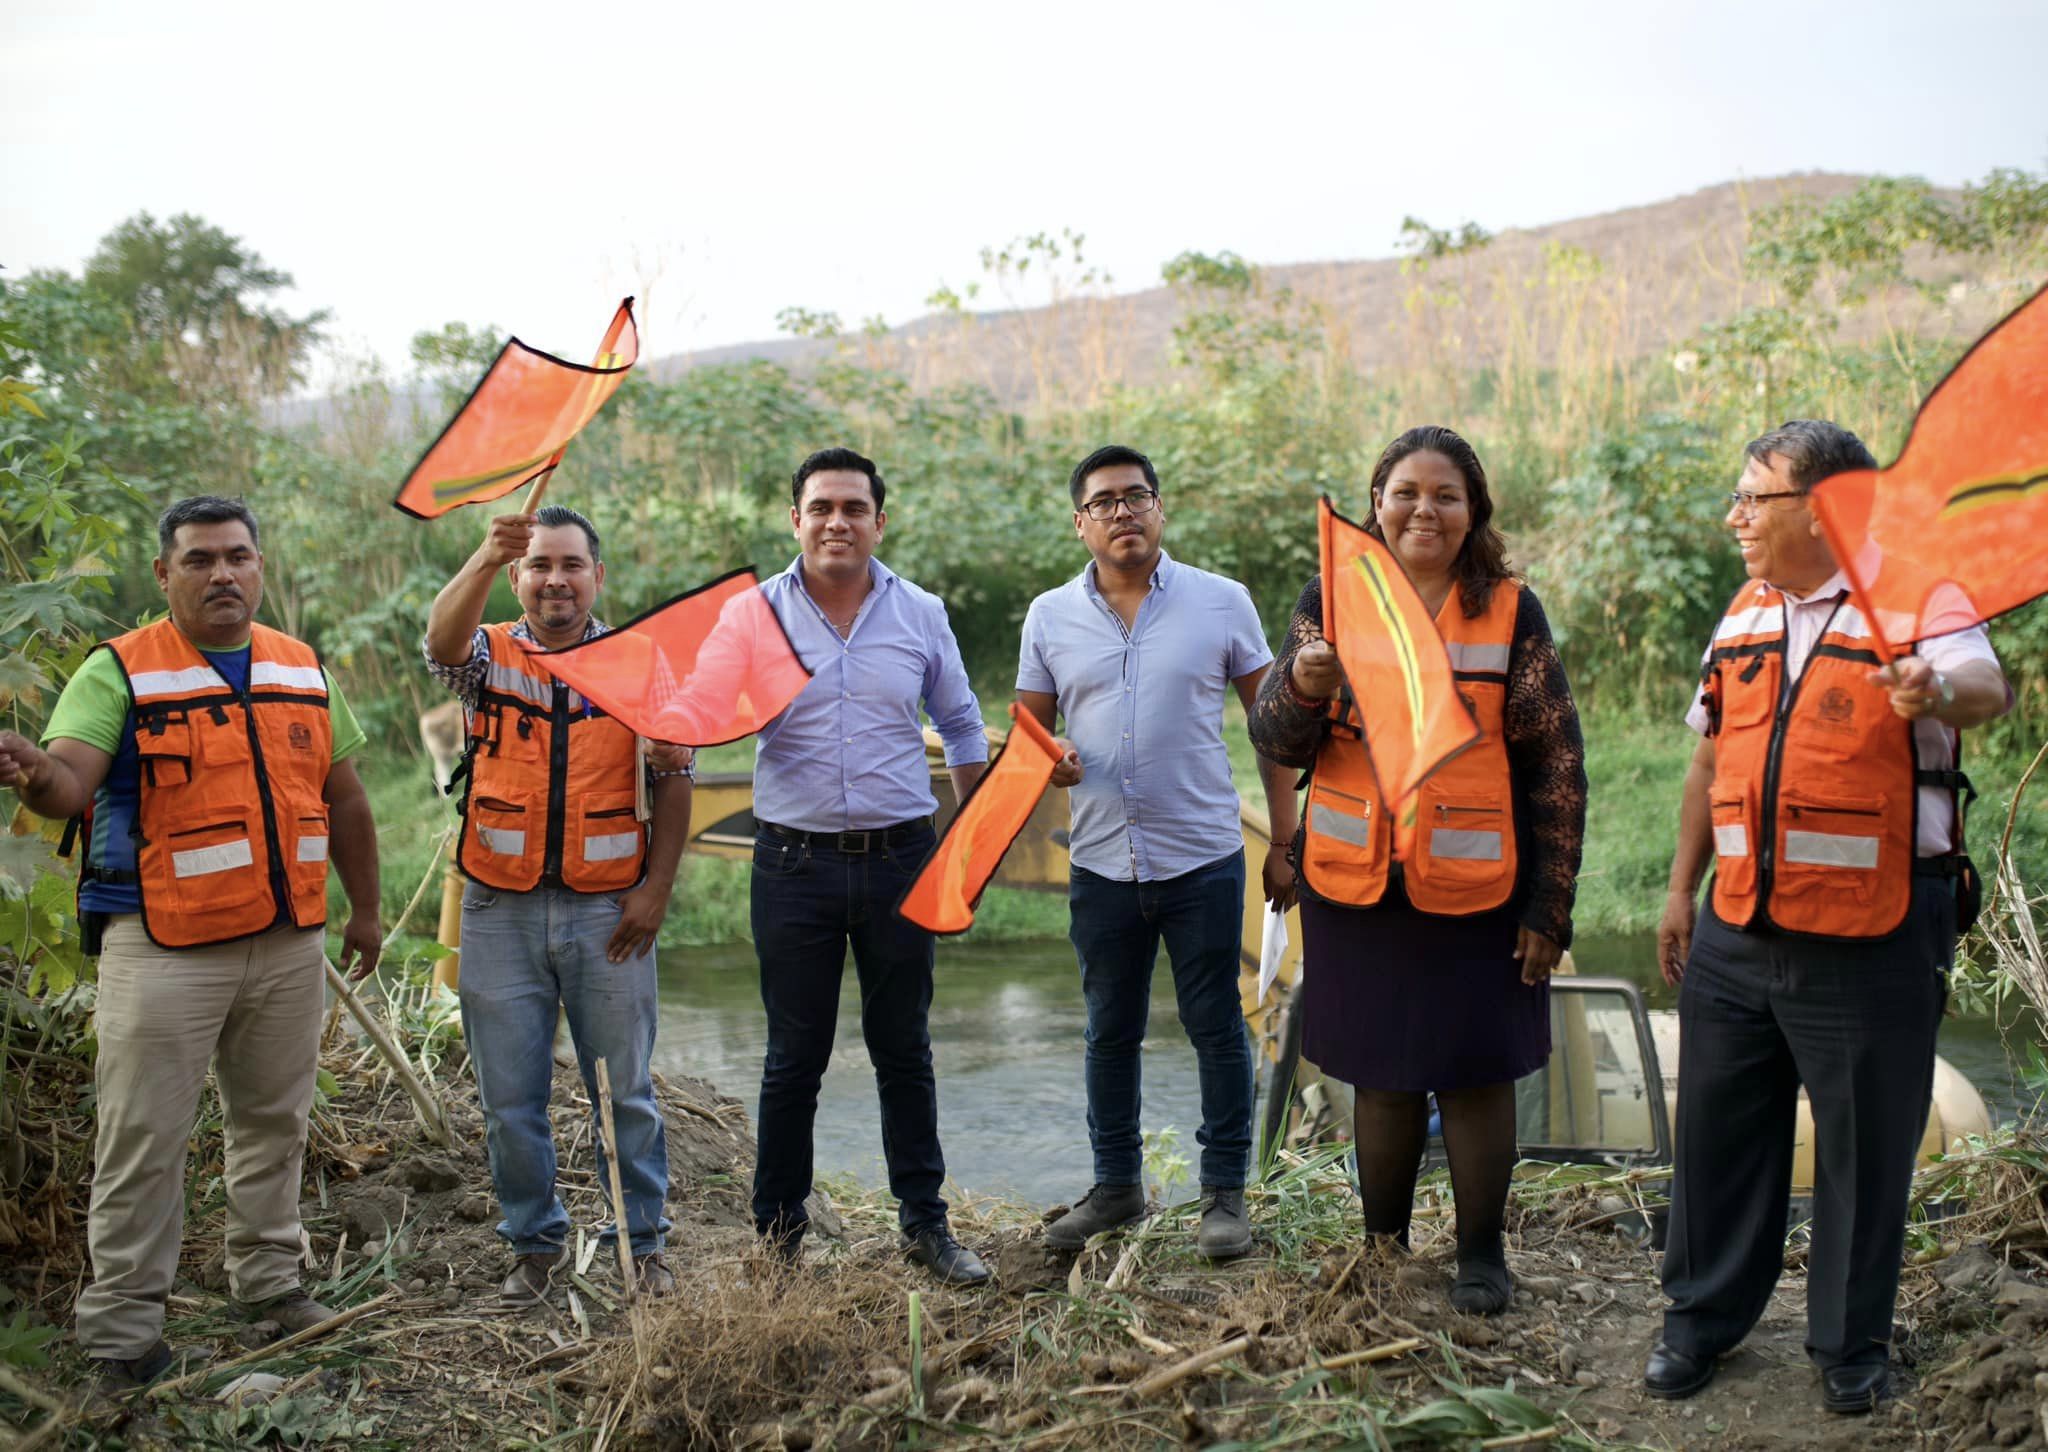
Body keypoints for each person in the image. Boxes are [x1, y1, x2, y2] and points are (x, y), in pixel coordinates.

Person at [1646, 421, 2011, 1414]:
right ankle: (1698, 1324)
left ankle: (1848, 1345)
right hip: (1735, 925)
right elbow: (1705, 758)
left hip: (1871, 928)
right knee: (1717, 1132)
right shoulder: (1744, 611)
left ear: (1824, 508)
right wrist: (1680, 892)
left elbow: (1986, 686)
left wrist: (1931, 683)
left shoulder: (1918, 601)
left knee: (1862, 1142)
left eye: (1749, 499)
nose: (1733, 517)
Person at [0, 496, 382, 1387]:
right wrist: (31, 770)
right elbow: (68, 783)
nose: (223, 574)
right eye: (201, 560)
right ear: (164, 575)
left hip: (288, 943)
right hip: (161, 947)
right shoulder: (119, 672)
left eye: (238, 557)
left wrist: (364, 914)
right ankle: (123, 1335)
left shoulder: (300, 666)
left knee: (275, 1125)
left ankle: (271, 1285)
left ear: (261, 567)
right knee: (143, 1138)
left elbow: (349, 797)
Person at [1248, 426, 1586, 1314]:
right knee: (1381, 1077)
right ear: (1376, 503)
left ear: (1474, 513)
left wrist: (1550, 908)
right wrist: (1303, 684)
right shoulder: (1331, 597)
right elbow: (1278, 738)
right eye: (1406, 492)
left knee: (1477, 1077)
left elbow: (1556, 762)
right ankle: (1384, 1253)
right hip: (1358, 890)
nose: (1423, 510)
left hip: (1478, 890)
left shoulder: (1512, 611)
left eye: (1446, 495)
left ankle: (1481, 1258)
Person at [1016, 444, 1298, 1259]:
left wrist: (1285, 840)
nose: (1122, 512)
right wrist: (1052, 755)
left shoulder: (1221, 602)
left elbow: (1272, 725)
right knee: (1109, 1030)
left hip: (1203, 857)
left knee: (1216, 1025)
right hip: (1102, 860)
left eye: (1136, 496)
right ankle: (1115, 1190)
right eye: (1103, 502)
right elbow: (1031, 730)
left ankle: (1224, 1197)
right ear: (1081, 525)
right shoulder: (1049, 616)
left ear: (1160, 510)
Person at [423, 504, 690, 1303]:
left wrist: (656, 891)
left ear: (597, 577)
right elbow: (439, 644)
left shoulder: (640, 662)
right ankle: (534, 1246)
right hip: (497, 911)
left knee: (627, 1092)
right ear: (517, 578)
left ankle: (641, 1246)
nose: (556, 580)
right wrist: (480, 555)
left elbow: (676, 780)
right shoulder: (487, 657)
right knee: (510, 1098)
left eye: (571, 565)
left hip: (609, 912)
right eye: (539, 566)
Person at [743, 447, 991, 1284]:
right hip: (791, 864)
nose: (837, 522)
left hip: (901, 860)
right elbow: (700, 714)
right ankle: (777, 1244)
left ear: (879, 521)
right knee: (794, 1056)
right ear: (796, 521)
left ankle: (926, 1227)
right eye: (821, 508)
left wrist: (974, 841)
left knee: (904, 1050)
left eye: (854, 508)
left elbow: (960, 724)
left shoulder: (920, 611)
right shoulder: (754, 617)